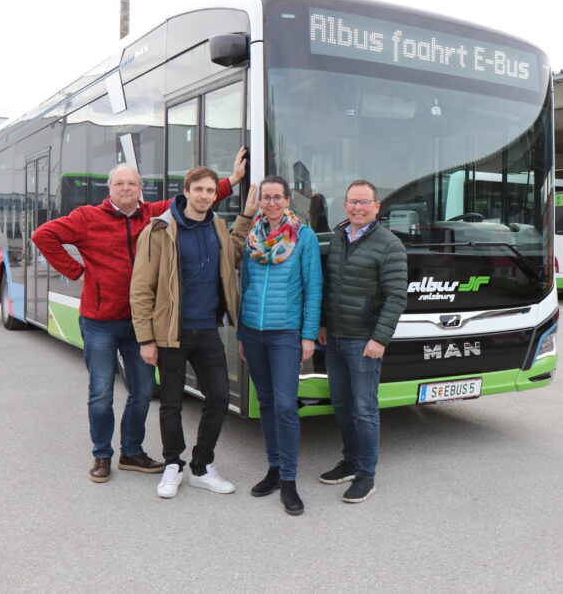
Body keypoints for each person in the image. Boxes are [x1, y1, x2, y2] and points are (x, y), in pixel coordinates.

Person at [31, 148, 246, 483]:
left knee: (143, 390)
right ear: (110, 188)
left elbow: (194, 199)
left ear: (141, 188)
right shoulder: (87, 217)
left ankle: (131, 451)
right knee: (101, 391)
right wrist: (76, 271)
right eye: (120, 183)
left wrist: (230, 181)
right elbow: (43, 236)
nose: (127, 188)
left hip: (140, 323)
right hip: (101, 320)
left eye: (133, 183)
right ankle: (102, 455)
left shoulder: (153, 214)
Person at [130, 167, 255, 500]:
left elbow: (232, 255)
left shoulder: (217, 225)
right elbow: (141, 288)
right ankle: (173, 465)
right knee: (171, 402)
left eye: (210, 191)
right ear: (185, 191)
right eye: (198, 189)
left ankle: (201, 466)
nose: (204, 196)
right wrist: (145, 338)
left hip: (207, 330)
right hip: (171, 333)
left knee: (219, 397)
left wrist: (245, 217)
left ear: (216, 195)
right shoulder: (158, 230)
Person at [318, 179, 407, 503]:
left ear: (377, 206)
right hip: (336, 339)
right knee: (341, 405)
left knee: (365, 409)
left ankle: (366, 475)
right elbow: (331, 286)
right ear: (345, 206)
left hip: (364, 342)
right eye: (352, 202)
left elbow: (397, 297)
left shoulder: (389, 244)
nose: (357, 207)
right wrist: (324, 324)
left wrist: (379, 339)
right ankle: (350, 461)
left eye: (364, 202)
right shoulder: (339, 238)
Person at [237, 176, 322, 516]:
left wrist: (308, 336)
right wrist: (243, 333)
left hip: (286, 332)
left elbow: (314, 289)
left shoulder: (304, 237)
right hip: (253, 332)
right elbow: (244, 284)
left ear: (289, 200)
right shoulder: (251, 238)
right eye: (266, 197)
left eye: (277, 197)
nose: (271, 203)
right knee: (267, 403)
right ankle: (273, 468)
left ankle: (289, 480)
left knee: (287, 405)